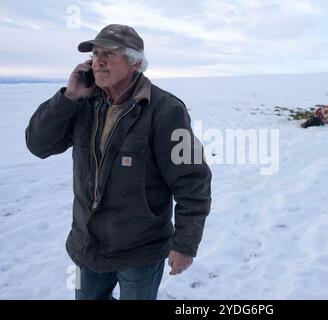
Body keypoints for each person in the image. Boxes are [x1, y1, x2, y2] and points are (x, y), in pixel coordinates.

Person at [25, 24, 212, 300]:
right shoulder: (82, 103)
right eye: (96, 53)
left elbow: (192, 182)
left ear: (135, 62)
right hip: (87, 247)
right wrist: (68, 98)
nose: (98, 60)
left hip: (140, 252)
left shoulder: (166, 111)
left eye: (108, 54)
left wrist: (185, 244)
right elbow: (38, 145)